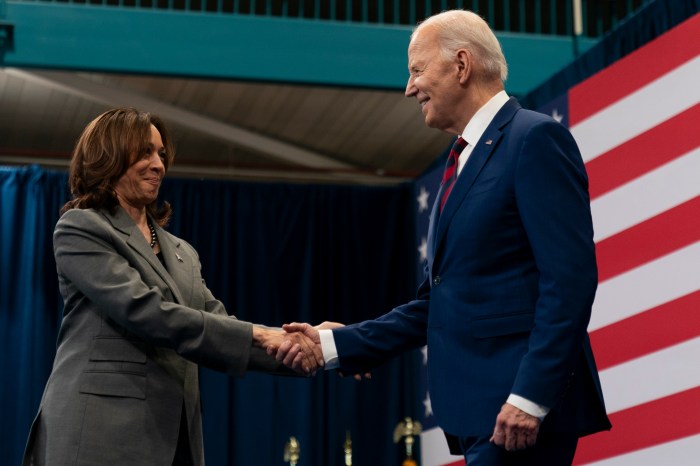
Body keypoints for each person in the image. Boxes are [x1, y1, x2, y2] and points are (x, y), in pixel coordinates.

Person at [275, 10, 611, 465]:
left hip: (519, 414)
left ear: (461, 64)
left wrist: (531, 397)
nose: (409, 87)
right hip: (481, 414)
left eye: (416, 70)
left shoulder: (534, 139)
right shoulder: (461, 162)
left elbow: (568, 281)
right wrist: (338, 344)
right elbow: (438, 302)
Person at [22, 107, 322, 466]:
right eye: (145, 152)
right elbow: (147, 312)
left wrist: (317, 347)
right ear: (110, 153)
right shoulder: (81, 228)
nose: (159, 165)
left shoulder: (183, 253)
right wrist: (261, 334)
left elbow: (219, 327)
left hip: (172, 441)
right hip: (97, 435)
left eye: (161, 155)